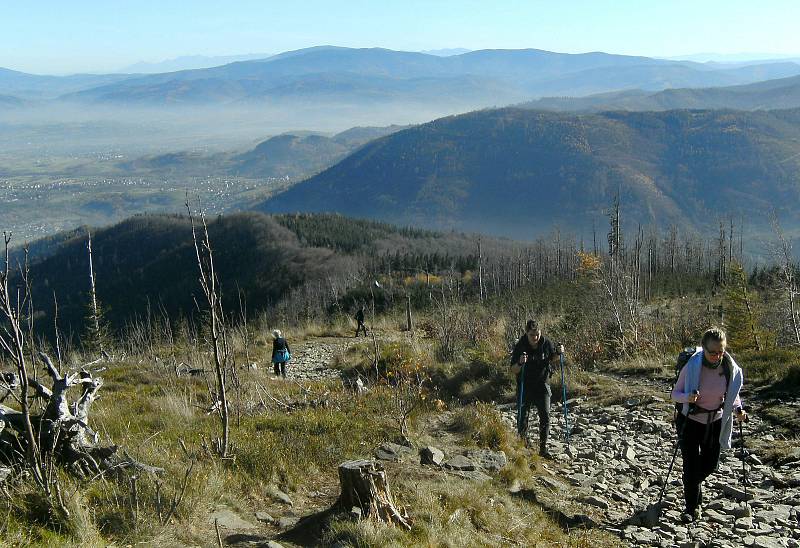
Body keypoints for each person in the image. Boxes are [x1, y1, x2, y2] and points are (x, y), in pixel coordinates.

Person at [671, 327, 747, 523]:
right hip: (690, 421)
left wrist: (738, 409)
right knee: (691, 465)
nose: (717, 356)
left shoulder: (729, 367)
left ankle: (691, 484)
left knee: (710, 465)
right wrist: (687, 397)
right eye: (712, 352)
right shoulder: (692, 365)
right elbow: (674, 394)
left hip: (715, 421)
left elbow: (733, 394)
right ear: (703, 348)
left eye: (721, 351)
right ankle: (691, 509)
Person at [510, 319, 565, 458]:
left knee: (545, 415)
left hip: (542, 384)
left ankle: (543, 448)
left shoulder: (546, 343)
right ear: (526, 333)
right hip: (525, 385)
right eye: (532, 335)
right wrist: (520, 363)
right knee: (523, 416)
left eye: (537, 334)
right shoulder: (520, 345)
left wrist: (559, 353)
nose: (535, 338)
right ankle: (523, 444)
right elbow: (513, 369)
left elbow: (552, 358)